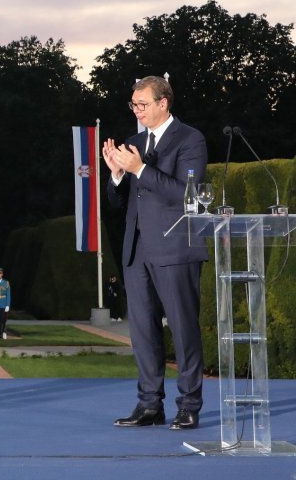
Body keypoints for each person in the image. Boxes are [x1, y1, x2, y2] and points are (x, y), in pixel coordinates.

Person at [103, 75, 208, 431]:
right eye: (133, 104)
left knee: (183, 329)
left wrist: (141, 169)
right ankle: (149, 405)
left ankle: (189, 405)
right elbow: (117, 203)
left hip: (176, 248)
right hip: (137, 251)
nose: (137, 110)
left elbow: (187, 196)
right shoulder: (133, 143)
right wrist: (117, 176)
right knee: (143, 332)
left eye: (142, 104)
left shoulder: (190, 140)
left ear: (164, 103)